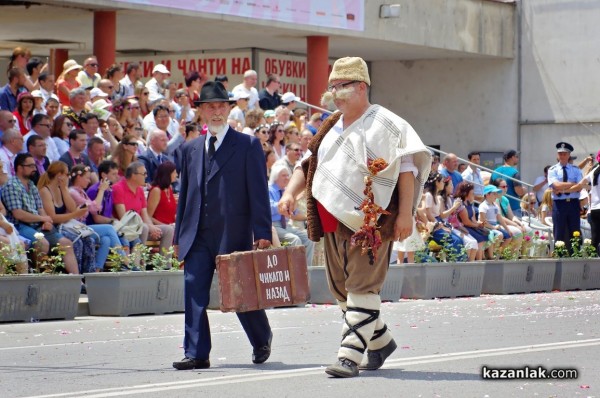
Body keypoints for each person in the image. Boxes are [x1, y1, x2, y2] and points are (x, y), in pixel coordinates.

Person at [278, 57, 431, 378]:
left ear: (361, 87)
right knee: (342, 289)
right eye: (332, 87)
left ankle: (349, 356)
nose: (334, 93)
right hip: (330, 220)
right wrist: (290, 193)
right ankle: (381, 342)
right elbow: (307, 165)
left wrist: (406, 214)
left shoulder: (389, 124)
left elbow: (406, 169)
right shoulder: (330, 125)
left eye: (341, 86)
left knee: (362, 286)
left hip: (372, 222)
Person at [173, 81, 273, 370]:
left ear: (229, 109)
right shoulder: (190, 149)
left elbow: (258, 192)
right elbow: (185, 198)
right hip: (198, 234)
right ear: (201, 111)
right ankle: (196, 353)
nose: (216, 112)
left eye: (221, 106)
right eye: (210, 107)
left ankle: (261, 337)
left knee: (241, 293)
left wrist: (263, 232)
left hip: (234, 232)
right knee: (194, 291)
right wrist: (179, 234)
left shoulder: (247, 144)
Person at [2, 154, 79, 273]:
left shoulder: (31, 185)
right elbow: (18, 214)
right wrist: (43, 218)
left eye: (34, 165)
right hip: (21, 226)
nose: (35, 168)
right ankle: (39, 278)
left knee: (66, 243)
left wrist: (46, 220)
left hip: (38, 224)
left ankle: (77, 282)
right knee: (42, 243)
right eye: (30, 165)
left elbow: (40, 207)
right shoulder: (11, 186)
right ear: (19, 168)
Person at [38, 161, 98, 273]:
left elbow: (72, 208)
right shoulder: (45, 191)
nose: (69, 176)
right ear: (59, 175)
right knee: (77, 242)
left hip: (64, 225)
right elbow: (53, 217)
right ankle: (77, 275)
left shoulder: (61, 189)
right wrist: (75, 215)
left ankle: (90, 275)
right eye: (67, 174)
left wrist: (64, 188)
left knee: (89, 240)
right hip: (52, 228)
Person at [113, 161, 173, 253]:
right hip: (125, 228)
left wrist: (153, 228)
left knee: (168, 230)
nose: (146, 176)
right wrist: (149, 226)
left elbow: (145, 215)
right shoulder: (118, 188)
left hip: (140, 227)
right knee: (144, 228)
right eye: (144, 173)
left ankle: (165, 265)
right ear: (133, 175)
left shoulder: (140, 190)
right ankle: (137, 264)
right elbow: (124, 218)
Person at [269, 164, 314, 265]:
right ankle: (296, 273)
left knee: (309, 238)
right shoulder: (269, 189)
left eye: (287, 175)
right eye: (283, 175)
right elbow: (270, 208)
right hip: (273, 226)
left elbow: (294, 214)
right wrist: (285, 203)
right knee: (295, 240)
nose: (287, 178)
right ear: (276, 177)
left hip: (286, 225)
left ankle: (307, 272)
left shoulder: (286, 192)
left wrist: (295, 201)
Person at [548, 142, 583, 253]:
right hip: (559, 204)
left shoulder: (576, 169)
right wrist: (572, 183)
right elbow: (556, 185)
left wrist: (562, 189)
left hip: (573, 203)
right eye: (560, 154)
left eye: (564, 154)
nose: (562, 156)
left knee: (575, 230)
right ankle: (559, 254)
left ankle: (575, 254)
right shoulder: (552, 170)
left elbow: (579, 186)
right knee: (559, 230)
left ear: (569, 155)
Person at [490, 149, 526, 218]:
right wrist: (524, 190)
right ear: (512, 157)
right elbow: (519, 192)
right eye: (517, 157)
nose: (518, 159)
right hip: (513, 208)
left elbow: (490, 188)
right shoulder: (515, 172)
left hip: (497, 206)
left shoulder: (495, 171)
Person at [147, 161, 177, 225]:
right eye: (174, 173)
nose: (176, 175)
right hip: (161, 229)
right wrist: (166, 227)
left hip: (171, 226)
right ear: (167, 174)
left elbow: (170, 214)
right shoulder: (156, 191)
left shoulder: (169, 188)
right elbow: (148, 216)